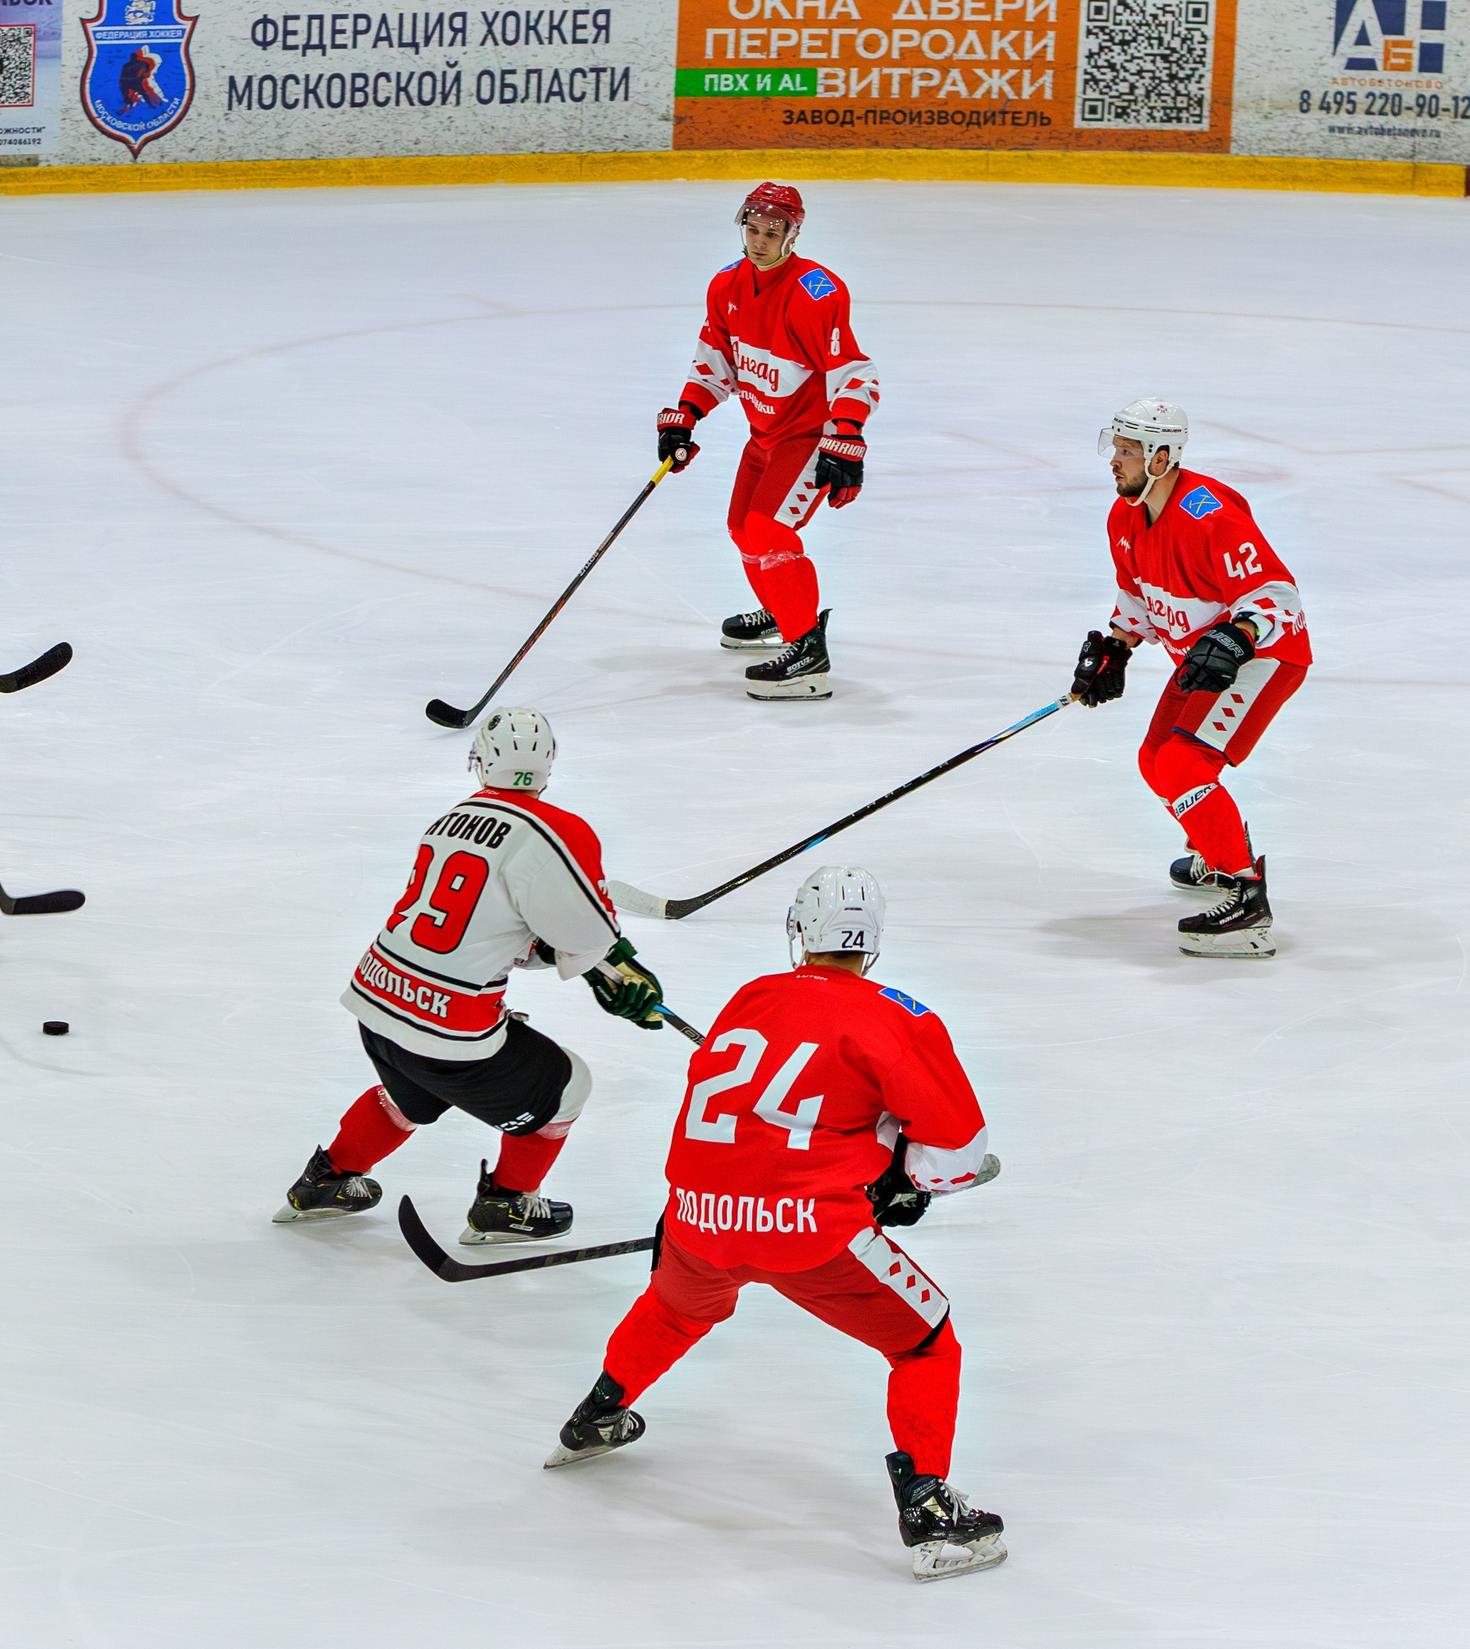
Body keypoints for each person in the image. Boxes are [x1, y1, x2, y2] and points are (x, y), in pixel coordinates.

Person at [542, 866, 1004, 1581]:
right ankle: (930, 1513)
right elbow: (958, 1157)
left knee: (674, 1310)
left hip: (694, 1214)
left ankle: (597, 1415)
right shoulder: (900, 1016)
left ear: (799, 931)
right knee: (926, 1344)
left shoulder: (751, 994)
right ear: (872, 942)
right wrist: (902, 1181)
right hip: (811, 1232)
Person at [273, 708, 669, 1244]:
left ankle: (326, 1181)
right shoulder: (558, 829)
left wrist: (562, 954)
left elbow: (492, 930)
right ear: (549, 762)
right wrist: (617, 970)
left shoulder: (450, 820)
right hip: (448, 1030)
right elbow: (586, 935)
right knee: (569, 1085)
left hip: (377, 1001)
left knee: (411, 1090)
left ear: (478, 761)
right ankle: (507, 1205)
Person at [1070, 398, 1307, 959]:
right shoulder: (1124, 516)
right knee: (1155, 758)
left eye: (1127, 451)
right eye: (1114, 447)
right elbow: (1137, 597)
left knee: (1183, 762)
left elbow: (1278, 596)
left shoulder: (1211, 514)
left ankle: (1247, 902)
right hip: (1203, 659)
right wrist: (1116, 648)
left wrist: (1237, 635)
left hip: (1261, 658)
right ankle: (1216, 848)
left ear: (1160, 457)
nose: (1114, 461)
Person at [656, 182, 880, 701]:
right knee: (742, 529)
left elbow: (853, 371)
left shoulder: (816, 292)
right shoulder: (726, 285)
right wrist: (686, 416)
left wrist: (847, 434)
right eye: (752, 230)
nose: (759, 242)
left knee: (769, 529)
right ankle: (784, 612)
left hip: (809, 435)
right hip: (765, 435)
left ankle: (807, 655)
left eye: (771, 233)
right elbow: (716, 359)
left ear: (792, 235)